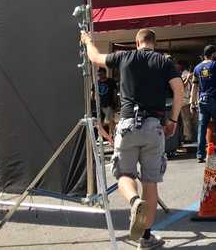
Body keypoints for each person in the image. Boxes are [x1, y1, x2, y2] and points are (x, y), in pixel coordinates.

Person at [82, 28, 182, 249]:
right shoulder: (164, 61)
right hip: (154, 126)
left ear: (137, 42)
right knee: (150, 181)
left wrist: (88, 41)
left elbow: (96, 58)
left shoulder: (124, 56)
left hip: (127, 124)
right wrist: (172, 121)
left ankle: (134, 202)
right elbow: (179, 90)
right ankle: (146, 237)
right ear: (153, 43)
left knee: (124, 174)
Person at [96, 67, 118, 140]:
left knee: (108, 121)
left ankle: (113, 135)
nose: (100, 75)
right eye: (99, 74)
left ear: (105, 73)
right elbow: (93, 92)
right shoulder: (97, 82)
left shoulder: (111, 81)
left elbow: (115, 92)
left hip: (109, 104)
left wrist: (115, 102)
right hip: (99, 105)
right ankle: (106, 136)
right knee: (103, 121)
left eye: (101, 73)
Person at [177, 61, 197, 143]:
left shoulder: (183, 75)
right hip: (192, 99)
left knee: (186, 120)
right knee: (193, 119)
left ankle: (188, 137)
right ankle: (194, 136)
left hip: (185, 100)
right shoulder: (192, 75)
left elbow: (182, 87)